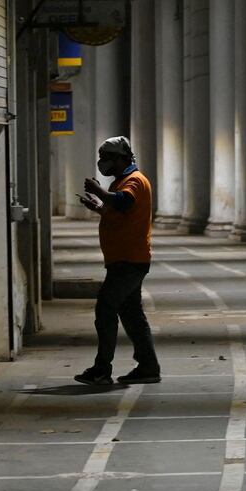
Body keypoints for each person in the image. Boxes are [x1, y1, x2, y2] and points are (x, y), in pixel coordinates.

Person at [74, 136, 161, 385]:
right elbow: (121, 212)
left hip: (128, 261)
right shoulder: (122, 182)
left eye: (106, 158)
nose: (103, 163)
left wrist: (99, 190)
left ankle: (102, 369)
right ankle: (148, 367)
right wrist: (99, 207)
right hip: (125, 259)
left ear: (121, 158)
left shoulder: (133, 181)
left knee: (105, 309)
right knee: (132, 314)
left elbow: (125, 201)